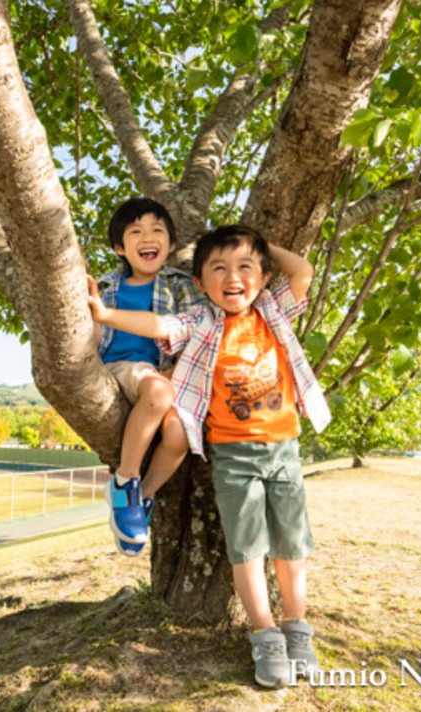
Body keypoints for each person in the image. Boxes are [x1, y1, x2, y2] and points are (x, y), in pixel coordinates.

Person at [87, 224, 331, 688]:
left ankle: (298, 632)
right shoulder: (202, 321)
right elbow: (160, 325)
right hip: (233, 456)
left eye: (245, 267)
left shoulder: (272, 311)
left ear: (261, 276)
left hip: (284, 450)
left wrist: (261, 242)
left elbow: (302, 270)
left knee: (291, 547)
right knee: (247, 550)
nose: (233, 276)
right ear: (200, 284)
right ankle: (266, 638)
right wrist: (107, 313)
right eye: (218, 268)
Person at [94, 197, 202, 557]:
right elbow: (88, 336)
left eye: (157, 230)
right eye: (135, 231)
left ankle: (143, 499)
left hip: (163, 372)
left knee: (180, 432)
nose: (147, 237)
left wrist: (174, 373)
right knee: (156, 391)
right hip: (119, 369)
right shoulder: (106, 287)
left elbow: (195, 334)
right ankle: (125, 482)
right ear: (119, 247)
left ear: (170, 244)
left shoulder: (180, 284)